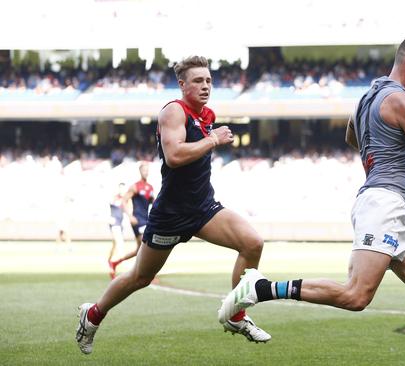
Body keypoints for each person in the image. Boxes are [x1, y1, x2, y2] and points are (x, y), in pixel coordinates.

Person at [218, 34, 405, 366]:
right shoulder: (403, 102)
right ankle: (260, 288)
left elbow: (352, 133)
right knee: (356, 295)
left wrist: (378, 156)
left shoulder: (367, 97)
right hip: (384, 205)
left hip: (392, 209)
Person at [76, 56, 271, 355]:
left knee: (252, 244)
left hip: (204, 208)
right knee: (139, 277)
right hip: (170, 215)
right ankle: (92, 315)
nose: (205, 86)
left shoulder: (206, 114)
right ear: (182, 84)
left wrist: (210, 137)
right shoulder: (173, 112)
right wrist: (214, 140)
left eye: (208, 80)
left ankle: (236, 314)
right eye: (198, 81)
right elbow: (174, 156)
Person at [108, 162, 155, 278]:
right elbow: (124, 200)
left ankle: (115, 263)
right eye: (144, 170)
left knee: (139, 250)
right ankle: (146, 273)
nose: (146, 172)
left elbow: (153, 204)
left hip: (146, 220)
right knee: (148, 245)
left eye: (147, 170)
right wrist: (130, 216)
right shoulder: (135, 186)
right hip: (137, 220)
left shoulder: (150, 188)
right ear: (140, 171)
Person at [107, 182, 128, 279]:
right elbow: (108, 207)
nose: (122, 190)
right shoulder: (115, 198)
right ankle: (115, 267)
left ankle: (110, 262)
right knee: (120, 245)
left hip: (120, 224)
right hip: (114, 224)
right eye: (121, 188)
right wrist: (108, 217)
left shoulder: (125, 200)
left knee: (115, 244)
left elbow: (126, 211)